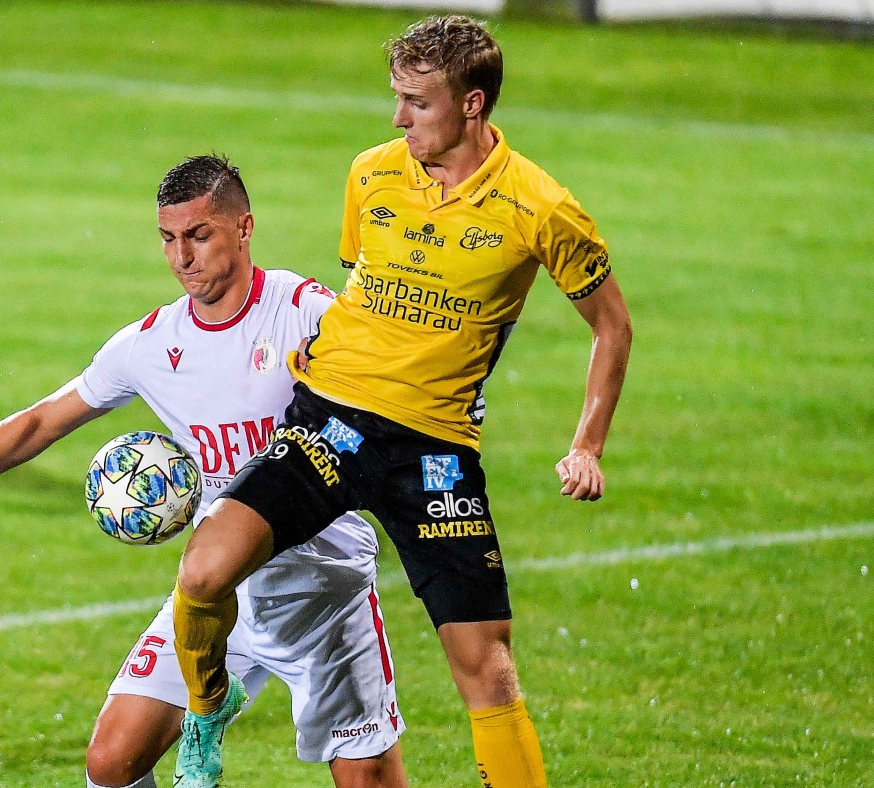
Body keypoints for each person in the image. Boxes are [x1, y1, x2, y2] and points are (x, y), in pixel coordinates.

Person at [167, 16, 634, 788]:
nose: (397, 119)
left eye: (417, 103)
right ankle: (207, 709)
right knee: (204, 572)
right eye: (397, 98)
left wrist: (587, 444)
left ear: (472, 103)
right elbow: (362, 283)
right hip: (331, 420)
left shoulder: (541, 207)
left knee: (485, 665)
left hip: (434, 450)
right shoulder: (372, 174)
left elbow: (612, 327)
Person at [0, 156, 409, 788]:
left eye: (199, 235)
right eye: (168, 238)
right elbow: (44, 419)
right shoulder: (151, 345)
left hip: (322, 588)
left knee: (368, 777)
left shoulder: (304, 311)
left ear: (244, 227)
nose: (182, 257)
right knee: (111, 762)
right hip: (214, 594)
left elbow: (389, 394)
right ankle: (209, 701)